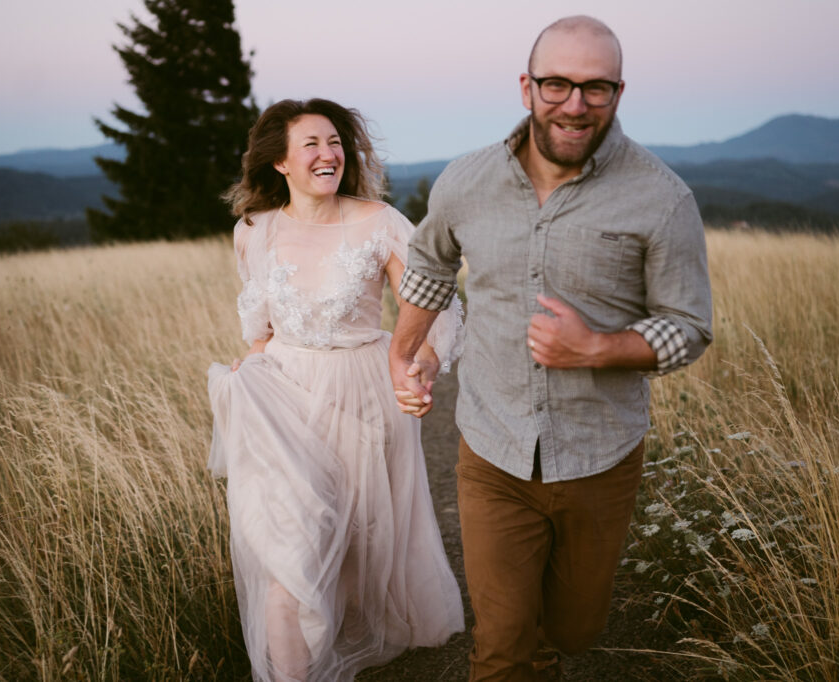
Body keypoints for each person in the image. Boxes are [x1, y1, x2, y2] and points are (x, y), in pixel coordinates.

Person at [389, 15, 713, 681]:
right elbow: (428, 265)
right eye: (557, 84)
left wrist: (595, 347)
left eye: (596, 88)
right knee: (502, 646)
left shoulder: (663, 198)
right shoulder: (465, 182)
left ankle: (545, 645)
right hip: (492, 446)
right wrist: (404, 352)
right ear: (526, 86)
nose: (575, 103)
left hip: (600, 455)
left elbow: (689, 325)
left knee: (573, 629)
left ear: (619, 93)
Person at [207, 98, 464, 682]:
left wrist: (419, 363)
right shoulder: (254, 231)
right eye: (312, 145)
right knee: (287, 551)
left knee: (355, 537)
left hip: (363, 391)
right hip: (283, 396)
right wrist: (246, 373)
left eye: (335, 142)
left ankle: (350, 635)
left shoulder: (381, 222)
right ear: (280, 163)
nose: (329, 155)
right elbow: (260, 333)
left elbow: (433, 311)